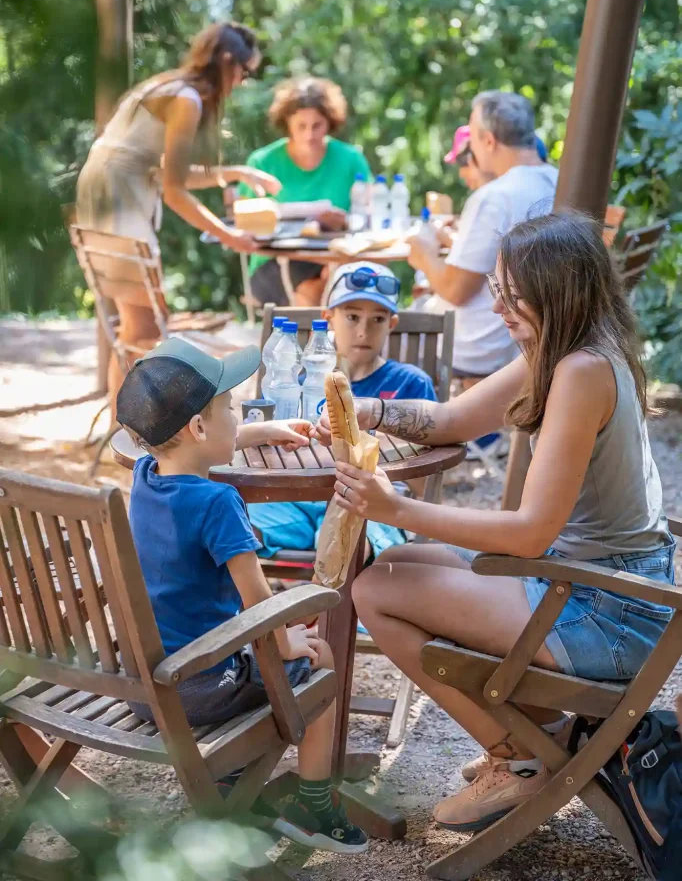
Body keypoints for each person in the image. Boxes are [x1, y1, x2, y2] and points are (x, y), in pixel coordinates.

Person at [318, 212, 675, 832]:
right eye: (498, 293)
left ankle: (520, 757)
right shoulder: (563, 347)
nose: (502, 308)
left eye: (514, 297)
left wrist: (396, 508)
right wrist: (366, 410)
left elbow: (532, 531)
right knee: (396, 564)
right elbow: (456, 420)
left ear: (557, 293)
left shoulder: (581, 370)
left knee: (374, 589)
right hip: (589, 579)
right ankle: (536, 730)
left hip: (608, 609)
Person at [116, 336, 368, 854]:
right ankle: (316, 804)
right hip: (197, 684)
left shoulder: (146, 476)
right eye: (229, 409)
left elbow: (183, 446)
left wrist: (259, 430)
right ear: (200, 428)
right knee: (317, 658)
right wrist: (290, 643)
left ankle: (234, 783)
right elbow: (257, 601)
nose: (235, 414)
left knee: (278, 646)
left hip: (144, 681)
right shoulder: (218, 503)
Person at [76, 22, 281, 401]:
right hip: (119, 202)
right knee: (145, 331)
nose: (242, 82)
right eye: (244, 71)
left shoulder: (168, 85)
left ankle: (120, 428)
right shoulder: (187, 99)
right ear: (226, 60)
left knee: (134, 332)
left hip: (106, 195)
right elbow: (175, 191)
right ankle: (134, 431)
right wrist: (229, 236)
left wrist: (235, 173)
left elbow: (171, 172)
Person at [248, 262, 436, 561]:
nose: (363, 331)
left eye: (377, 319)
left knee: (341, 542)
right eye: (351, 317)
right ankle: (259, 606)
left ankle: (315, 605)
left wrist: (373, 443)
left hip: (371, 504)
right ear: (328, 318)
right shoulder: (297, 384)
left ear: (392, 324)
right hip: (298, 500)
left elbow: (427, 484)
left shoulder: (411, 384)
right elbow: (258, 458)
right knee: (229, 523)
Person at [408, 91, 558, 388]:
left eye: (473, 140)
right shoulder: (557, 180)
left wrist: (423, 254)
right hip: (532, 332)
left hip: (479, 345)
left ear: (488, 141)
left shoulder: (495, 196)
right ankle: (485, 431)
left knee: (373, 330)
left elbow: (456, 290)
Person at [239, 77, 371, 307]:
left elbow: (371, 215)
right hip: (276, 260)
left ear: (329, 122)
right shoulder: (263, 162)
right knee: (316, 290)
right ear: (287, 123)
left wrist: (344, 223)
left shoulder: (350, 159)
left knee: (342, 277)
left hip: (335, 256)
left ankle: (312, 337)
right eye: (301, 126)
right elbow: (245, 223)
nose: (309, 135)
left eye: (317, 125)